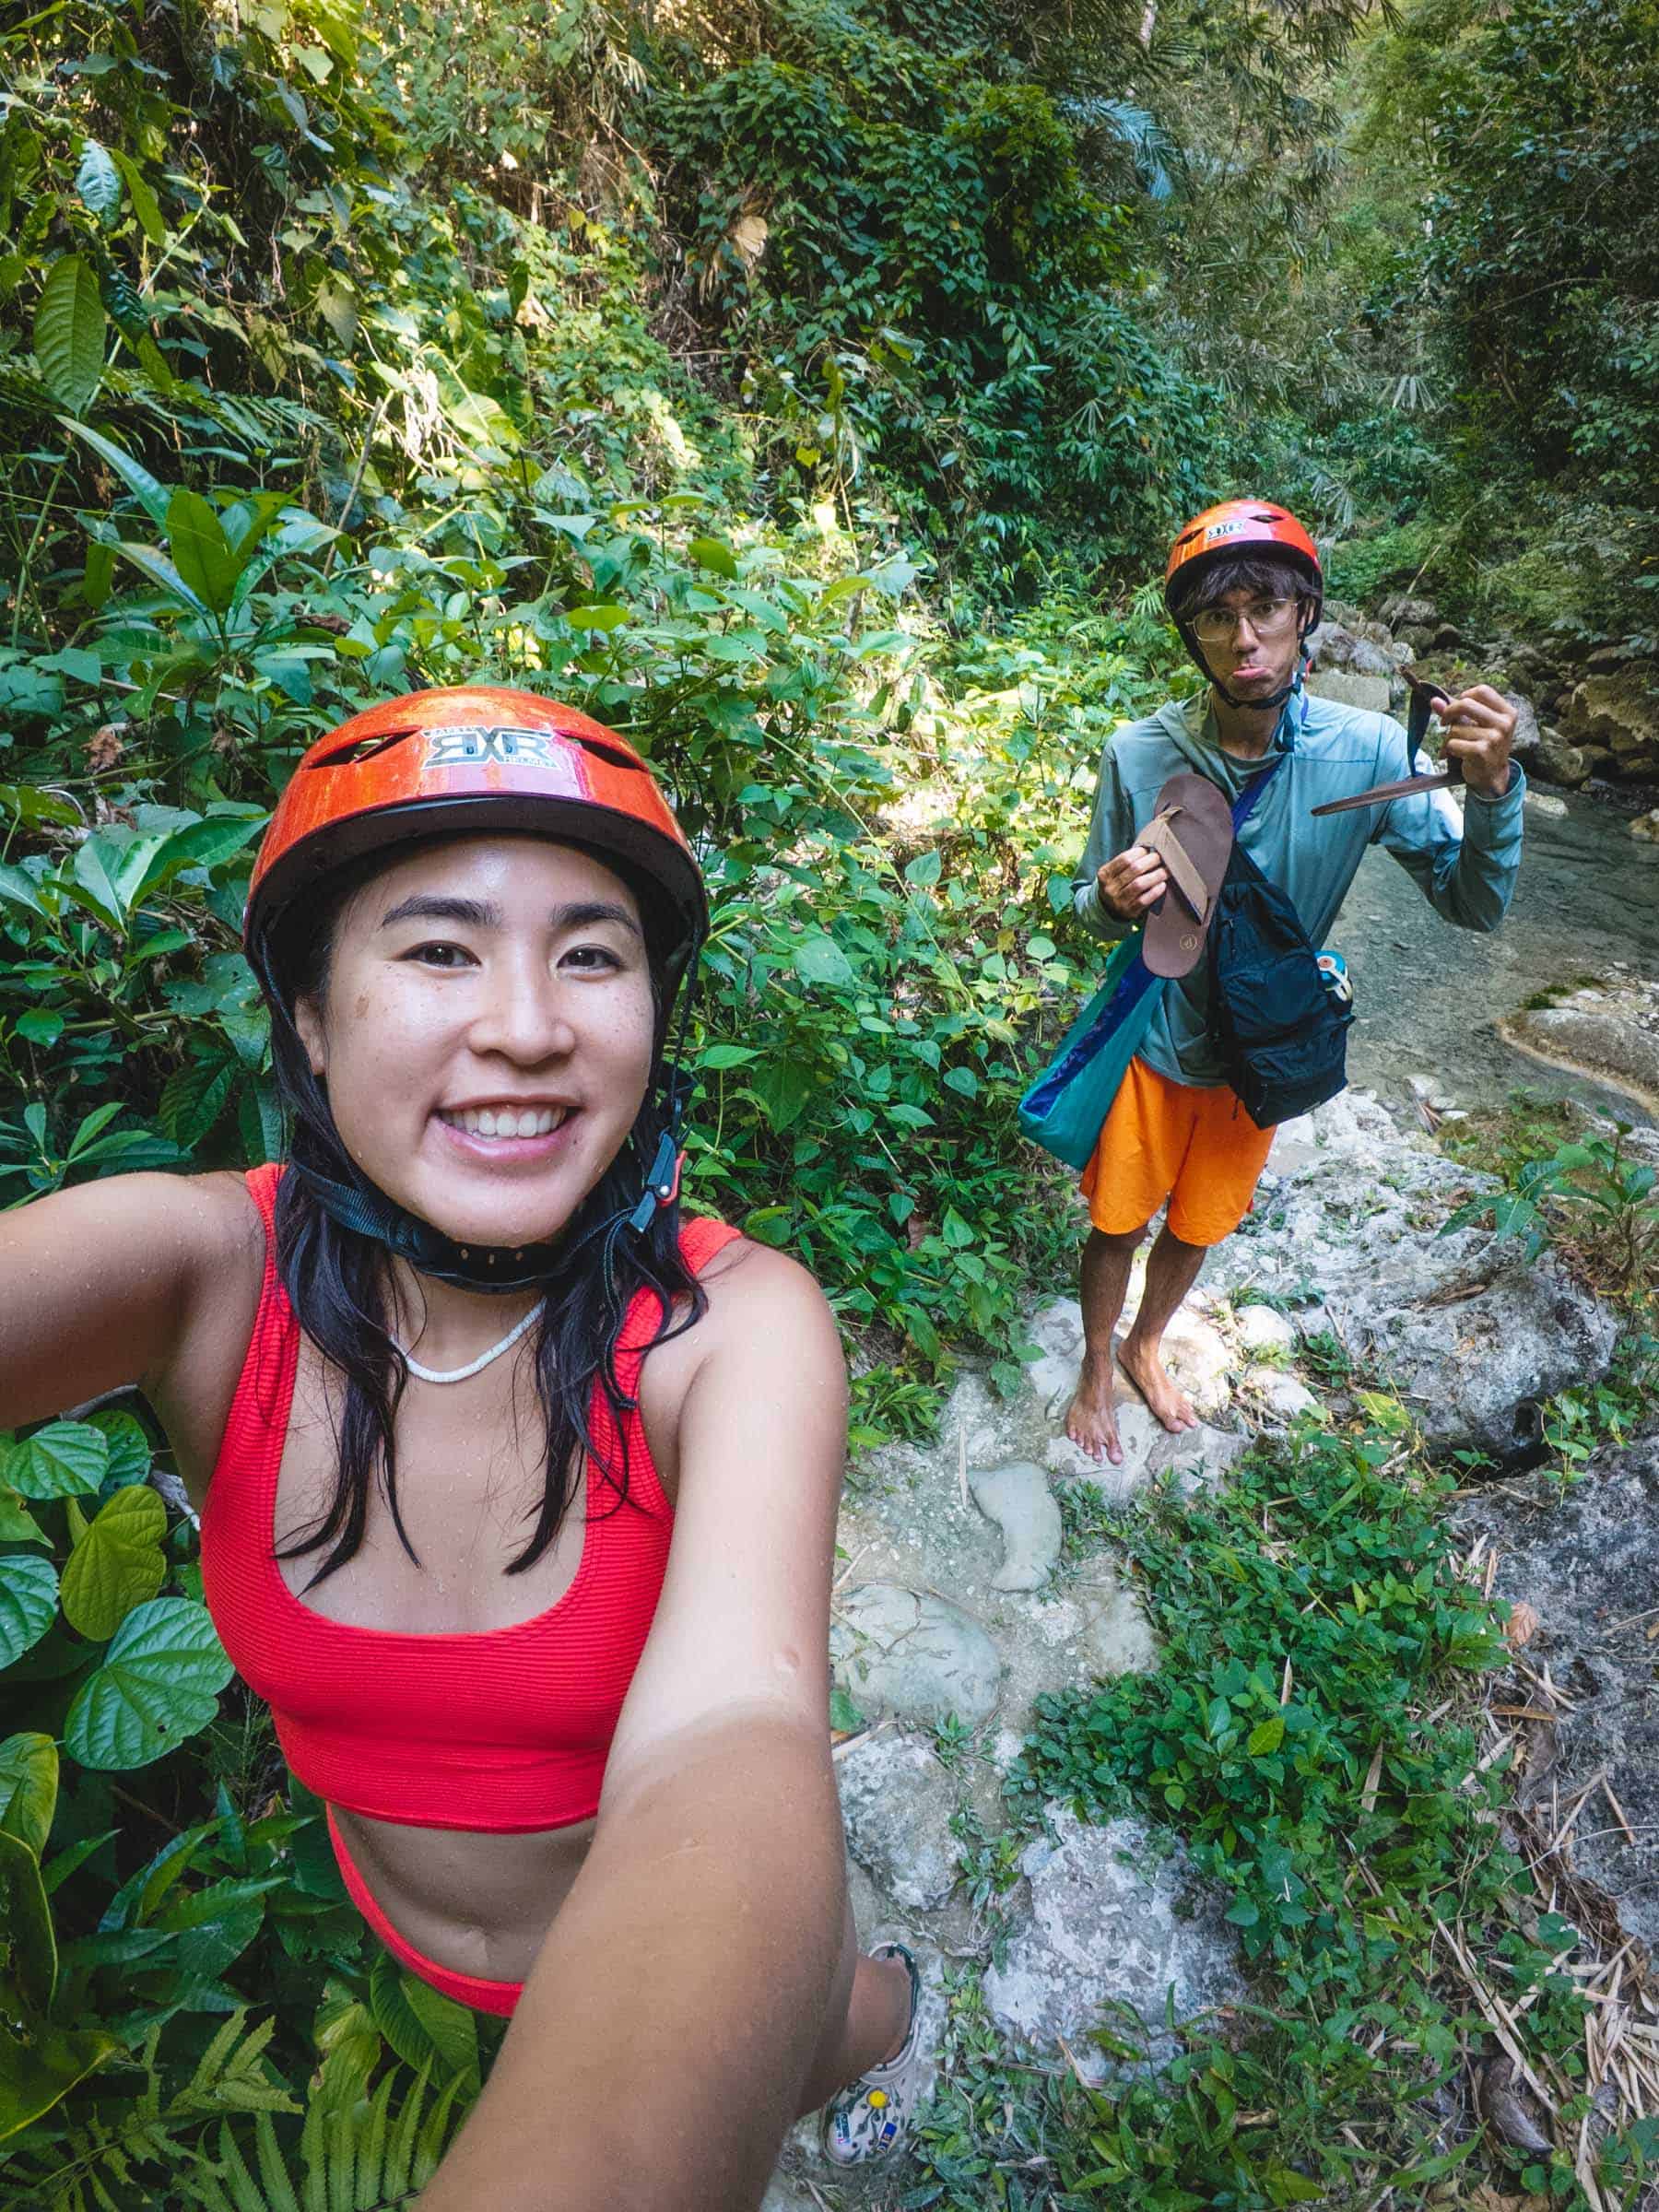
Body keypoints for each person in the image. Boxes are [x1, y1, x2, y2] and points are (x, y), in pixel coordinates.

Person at [0, 686, 927, 2208]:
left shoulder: (732, 1332)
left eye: (592, 955)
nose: (529, 1026)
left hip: (711, 1958)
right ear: (310, 1015)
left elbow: (731, 1740)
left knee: (826, 2033)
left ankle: (892, 2018)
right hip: (427, 1939)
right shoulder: (203, 1280)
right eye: (440, 949)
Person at [1064, 501, 1524, 1465]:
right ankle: (1096, 1367)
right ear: (1189, 635)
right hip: (1155, 1036)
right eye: (1216, 616)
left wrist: (1492, 796)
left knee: (1200, 1220)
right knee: (1116, 1219)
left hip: (1263, 1049)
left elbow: (1471, 904)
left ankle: (1147, 1345)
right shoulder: (1139, 753)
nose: (1245, 639)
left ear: (1305, 615)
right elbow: (1082, 906)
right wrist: (1105, 899)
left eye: (1266, 609)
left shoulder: (1370, 751)